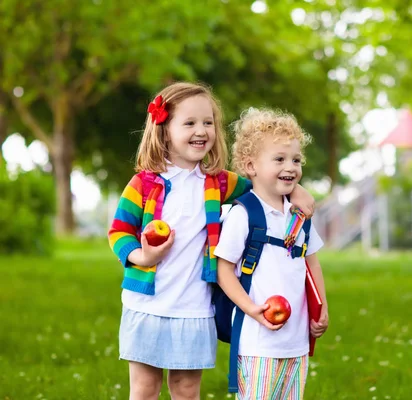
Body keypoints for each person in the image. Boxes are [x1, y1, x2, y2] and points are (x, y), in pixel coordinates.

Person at [107, 83, 315, 400]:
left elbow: (261, 185)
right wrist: (142, 257)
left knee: (187, 390)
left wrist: (294, 190)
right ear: (164, 131)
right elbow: (118, 232)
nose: (201, 130)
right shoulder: (144, 183)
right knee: (145, 389)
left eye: (208, 122)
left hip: (194, 308)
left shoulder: (217, 182)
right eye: (189, 123)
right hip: (146, 305)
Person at [215, 108, 329, 400]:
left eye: (295, 160)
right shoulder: (243, 215)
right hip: (258, 343)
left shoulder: (299, 215)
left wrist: (321, 308)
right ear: (250, 165)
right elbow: (224, 270)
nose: (290, 167)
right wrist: (250, 308)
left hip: (297, 342)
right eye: (279, 159)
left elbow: (311, 263)